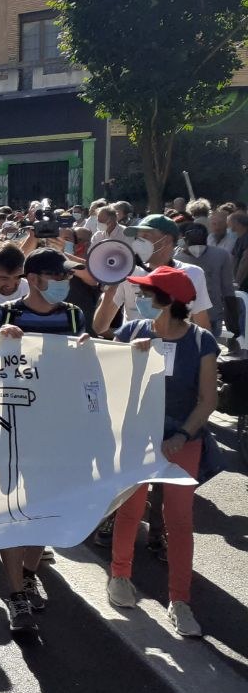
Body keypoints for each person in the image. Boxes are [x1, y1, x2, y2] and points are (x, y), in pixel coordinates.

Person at [0, 249, 87, 635]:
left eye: (68, 277)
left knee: (44, 509)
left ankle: (27, 572)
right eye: (60, 275)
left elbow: (87, 370)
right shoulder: (2, 316)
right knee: (12, 511)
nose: (66, 282)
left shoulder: (74, 316)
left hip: (57, 430)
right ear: (37, 278)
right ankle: (15, 596)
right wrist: (0, 346)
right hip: (11, 429)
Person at [108, 267, 218, 637]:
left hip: (182, 442)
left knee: (179, 521)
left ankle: (180, 600)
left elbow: (207, 399)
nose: (138, 297)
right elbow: (107, 376)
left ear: (166, 301)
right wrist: (127, 357)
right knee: (130, 510)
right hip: (138, 441)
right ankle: (120, 577)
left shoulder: (202, 342)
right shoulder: (132, 333)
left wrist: (183, 434)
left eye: (146, 292)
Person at [92, 214, 212, 336]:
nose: (138, 242)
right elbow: (99, 327)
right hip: (135, 351)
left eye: (145, 236)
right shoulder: (129, 272)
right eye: (138, 237)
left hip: (173, 350)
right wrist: (110, 289)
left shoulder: (193, 273)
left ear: (166, 240)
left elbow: (203, 325)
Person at [176, 222, 236, 339]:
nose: (197, 249)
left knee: (210, 351)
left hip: (213, 315)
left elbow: (228, 289)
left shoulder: (221, 255)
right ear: (184, 240)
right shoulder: (177, 260)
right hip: (185, 318)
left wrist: (233, 320)